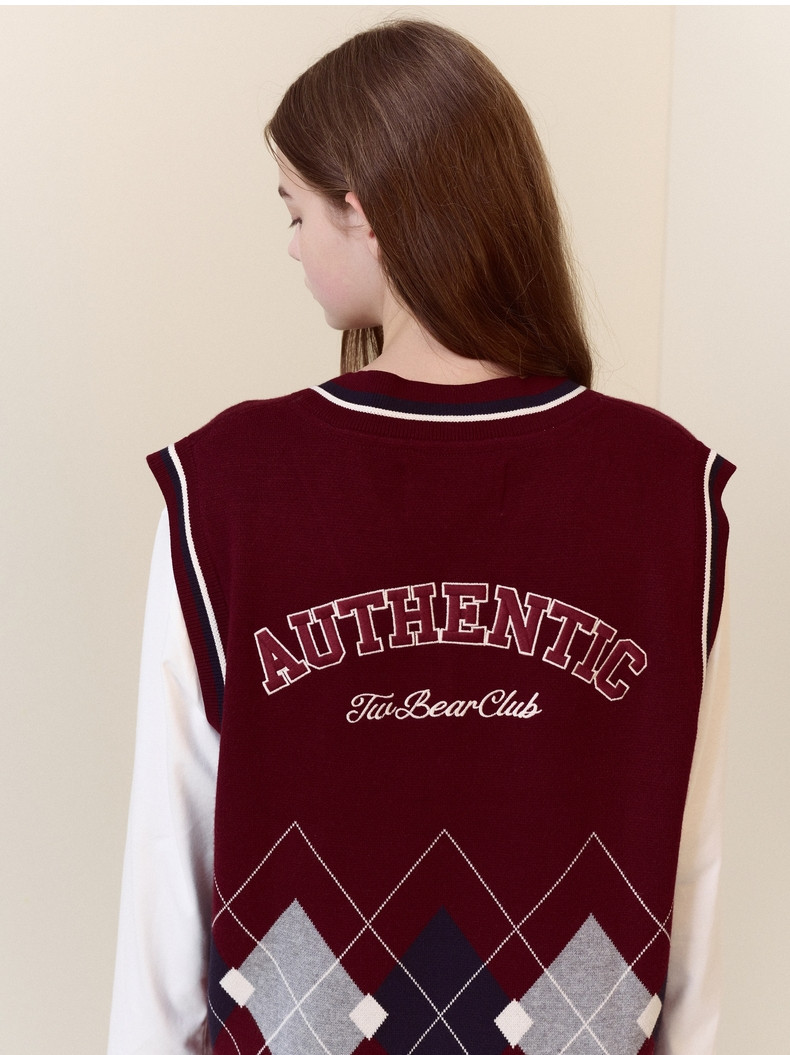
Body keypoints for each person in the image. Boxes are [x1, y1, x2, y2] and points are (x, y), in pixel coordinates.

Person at [108, 19, 732, 1055]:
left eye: (295, 209)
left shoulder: (227, 484)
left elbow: (168, 879)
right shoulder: (668, 489)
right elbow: (691, 881)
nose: (293, 244)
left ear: (362, 210)